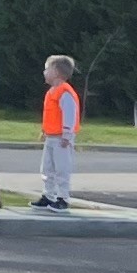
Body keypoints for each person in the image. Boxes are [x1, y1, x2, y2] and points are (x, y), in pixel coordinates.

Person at [33, 52, 81, 211]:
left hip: (62, 138)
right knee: (47, 167)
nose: (44, 72)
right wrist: (44, 131)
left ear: (57, 73)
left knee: (61, 168)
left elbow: (69, 115)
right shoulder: (52, 92)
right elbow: (51, 115)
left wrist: (67, 135)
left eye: (47, 69)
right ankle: (48, 195)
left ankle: (62, 198)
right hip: (52, 136)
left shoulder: (65, 92)